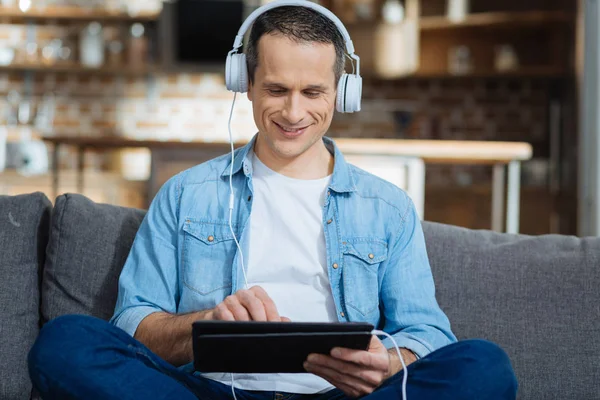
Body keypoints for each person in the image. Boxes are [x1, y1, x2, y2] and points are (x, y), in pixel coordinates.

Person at [28, 2, 517, 399]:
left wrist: (386, 365)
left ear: (343, 94)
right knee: (67, 341)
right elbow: (133, 323)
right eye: (277, 89)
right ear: (245, 82)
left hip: (340, 399)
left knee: (484, 366)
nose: (293, 111)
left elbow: (427, 334)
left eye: (313, 92)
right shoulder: (185, 193)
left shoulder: (388, 207)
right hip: (210, 392)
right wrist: (207, 321)